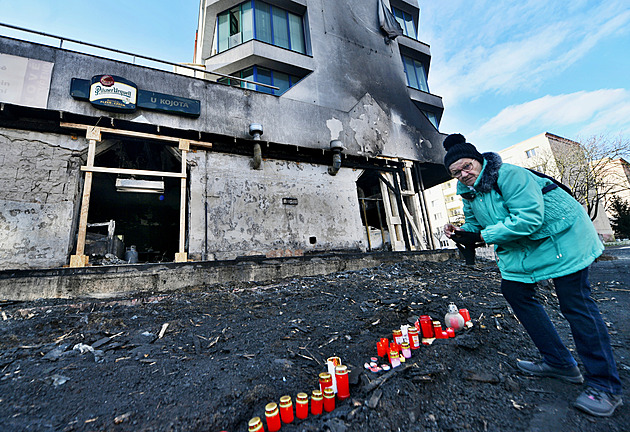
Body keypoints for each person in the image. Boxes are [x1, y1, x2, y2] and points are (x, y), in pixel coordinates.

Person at [441, 133, 623, 417]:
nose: (463, 174)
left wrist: (484, 236)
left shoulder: (509, 175)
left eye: (467, 166)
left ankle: (605, 386)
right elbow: (475, 224)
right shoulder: (467, 192)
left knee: (574, 303)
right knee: (514, 291)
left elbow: (529, 218)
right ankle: (559, 362)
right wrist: (462, 231)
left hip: (563, 236)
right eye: (456, 172)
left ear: (478, 161)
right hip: (528, 243)